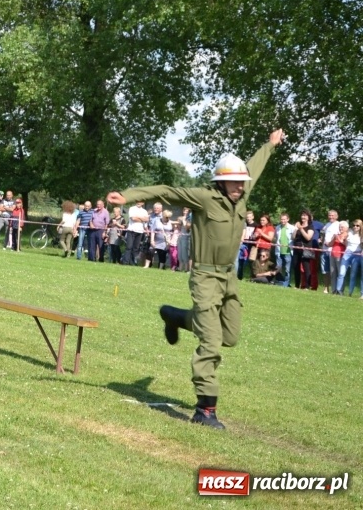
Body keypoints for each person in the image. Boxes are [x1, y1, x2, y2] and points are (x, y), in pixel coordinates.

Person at [107, 128, 285, 430]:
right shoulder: (205, 197)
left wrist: (270, 144)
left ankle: (175, 317)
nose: (240, 187)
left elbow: (254, 167)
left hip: (229, 278)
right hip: (204, 276)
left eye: (242, 183)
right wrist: (128, 197)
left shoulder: (241, 196)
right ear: (220, 180)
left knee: (230, 336)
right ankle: (205, 410)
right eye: (234, 182)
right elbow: (166, 191)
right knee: (212, 343)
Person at [337, 219, 362, 296]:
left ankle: (350, 293)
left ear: (360, 226)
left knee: (353, 275)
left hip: (357, 255)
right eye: (354, 225)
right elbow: (345, 243)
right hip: (347, 253)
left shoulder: (361, 235)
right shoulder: (349, 232)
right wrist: (343, 240)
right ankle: (338, 291)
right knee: (341, 273)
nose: (355, 227)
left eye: (357, 225)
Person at [292, 210, 315, 290]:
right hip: (296, 249)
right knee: (296, 267)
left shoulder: (310, 227)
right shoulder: (298, 226)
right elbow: (293, 237)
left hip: (305, 250)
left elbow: (308, 237)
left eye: (305, 215)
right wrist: (295, 229)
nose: (303, 217)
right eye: (302, 215)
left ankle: (307, 286)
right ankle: (297, 285)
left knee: (306, 268)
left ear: (308, 217)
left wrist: (301, 229)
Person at [273, 213, 295, 287]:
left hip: (288, 251)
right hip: (279, 251)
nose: (282, 221)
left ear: (288, 219)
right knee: (278, 268)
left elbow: (293, 238)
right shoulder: (277, 227)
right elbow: (275, 238)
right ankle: (279, 281)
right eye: (281, 219)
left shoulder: (292, 228)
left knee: (287, 269)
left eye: (284, 219)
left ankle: (286, 283)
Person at [123, 200, 148, 265]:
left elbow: (146, 220)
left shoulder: (144, 211)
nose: (139, 202)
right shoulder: (132, 209)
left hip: (140, 231)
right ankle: (125, 261)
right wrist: (142, 219)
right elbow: (133, 219)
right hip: (131, 230)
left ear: (143, 203)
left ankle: (132, 262)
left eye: (141, 201)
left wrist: (138, 217)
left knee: (136, 248)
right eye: (138, 201)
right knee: (129, 247)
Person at [321, 210, 340, 294]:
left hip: (333, 251)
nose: (331, 217)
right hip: (324, 250)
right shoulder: (327, 225)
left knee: (334, 271)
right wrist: (321, 242)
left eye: (332, 215)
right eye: (329, 215)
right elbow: (323, 235)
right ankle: (326, 288)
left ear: (336, 216)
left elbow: (338, 237)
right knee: (325, 270)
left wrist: (330, 243)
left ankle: (335, 289)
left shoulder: (339, 225)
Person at [329, 220, 348, 294]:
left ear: (346, 228)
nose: (340, 229)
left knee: (340, 274)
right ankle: (333, 290)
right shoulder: (336, 235)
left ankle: (340, 290)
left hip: (341, 256)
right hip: (333, 255)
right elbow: (330, 245)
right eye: (340, 227)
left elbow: (346, 245)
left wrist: (340, 239)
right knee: (333, 273)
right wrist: (334, 238)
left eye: (342, 227)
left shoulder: (347, 235)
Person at [238, 211, 256, 279]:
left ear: (253, 217)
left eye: (250, 217)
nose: (248, 218)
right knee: (241, 260)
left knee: (251, 262)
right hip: (243, 244)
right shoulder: (244, 224)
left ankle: (253, 277)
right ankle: (240, 276)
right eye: (247, 217)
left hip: (252, 246)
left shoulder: (256, 225)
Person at [177, 207, 192, 272]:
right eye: (184, 210)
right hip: (180, 236)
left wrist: (184, 222)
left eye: (186, 210)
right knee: (180, 252)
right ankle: (180, 267)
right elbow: (178, 227)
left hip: (186, 236)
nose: (185, 211)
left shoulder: (189, 218)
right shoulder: (180, 217)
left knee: (185, 253)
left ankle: (186, 268)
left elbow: (187, 228)